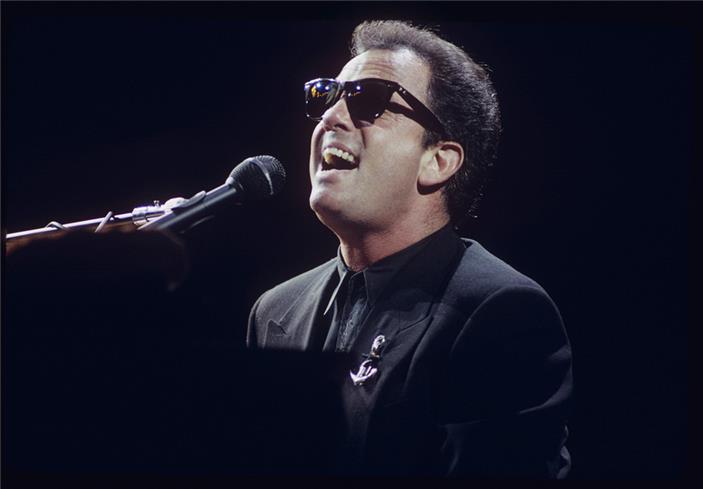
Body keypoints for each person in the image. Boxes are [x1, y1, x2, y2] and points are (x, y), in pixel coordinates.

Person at [247, 20, 572, 478]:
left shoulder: (499, 313)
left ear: (438, 160)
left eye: (368, 100)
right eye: (326, 96)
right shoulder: (275, 310)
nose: (330, 118)